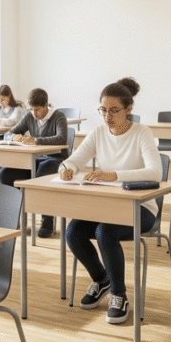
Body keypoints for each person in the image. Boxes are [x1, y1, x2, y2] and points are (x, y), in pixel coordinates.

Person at [59, 78, 160, 325]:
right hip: (108, 205)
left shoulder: (142, 133)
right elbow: (74, 159)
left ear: (128, 109)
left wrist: (113, 175)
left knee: (105, 232)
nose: (107, 116)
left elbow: (155, 172)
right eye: (103, 110)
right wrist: (66, 169)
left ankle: (119, 295)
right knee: (73, 232)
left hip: (141, 207)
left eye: (114, 110)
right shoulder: (98, 133)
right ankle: (101, 279)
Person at [0, 88, 69, 238]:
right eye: (31, 109)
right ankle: (13, 217)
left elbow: (61, 138)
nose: (34, 113)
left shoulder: (58, 116)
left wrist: (36, 140)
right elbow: (9, 133)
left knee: (42, 173)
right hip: (34, 159)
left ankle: (47, 221)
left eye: (37, 110)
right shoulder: (29, 116)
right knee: (4, 174)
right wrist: (14, 137)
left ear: (46, 105)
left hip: (55, 159)